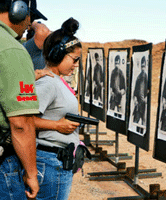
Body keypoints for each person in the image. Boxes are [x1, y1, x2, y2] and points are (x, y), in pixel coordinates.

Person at [0, 0, 46, 199]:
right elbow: (20, 123)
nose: (30, 23)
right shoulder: (11, 49)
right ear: (17, 10)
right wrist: (31, 173)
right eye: (30, 16)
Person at [33, 17, 82, 200]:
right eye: (74, 59)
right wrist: (57, 126)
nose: (76, 65)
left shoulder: (56, 82)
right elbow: (25, 120)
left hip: (57, 161)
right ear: (57, 54)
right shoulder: (48, 83)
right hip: (51, 162)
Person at [132, 56, 148, 132]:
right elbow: (135, 92)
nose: (143, 68)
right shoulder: (138, 77)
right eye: (142, 66)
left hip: (144, 105)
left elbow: (150, 91)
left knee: (144, 123)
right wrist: (135, 99)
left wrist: (146, 99)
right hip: (138, 104)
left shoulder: (147, 78)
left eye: (144, 66)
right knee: (135, 121)